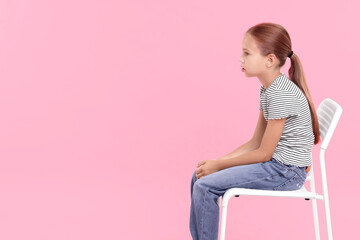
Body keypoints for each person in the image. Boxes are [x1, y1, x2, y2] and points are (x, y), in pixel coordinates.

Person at [189, 22, 320, 240]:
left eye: (247, 53)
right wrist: (217, 161)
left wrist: (219, 165)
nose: (241, 59)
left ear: (270, 60)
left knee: (205, 186)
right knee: (199, 177)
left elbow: (264, 154)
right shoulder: (268, 88)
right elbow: (255, 141)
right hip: (277, 166)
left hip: (286, 172)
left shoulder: (280, 93)